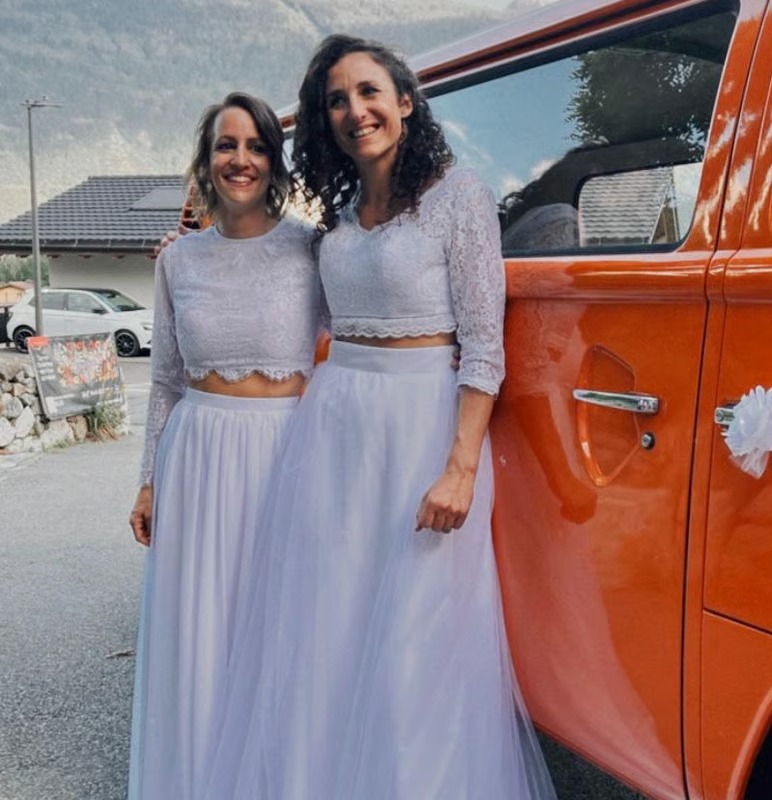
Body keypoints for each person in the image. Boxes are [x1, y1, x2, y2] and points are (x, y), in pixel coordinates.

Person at [203, 35, 557, 800]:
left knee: (417, 643)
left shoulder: (457, 197)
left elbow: (484, 345)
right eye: (336, 100)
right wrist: (197, 249)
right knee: (326, 628)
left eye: (368, 92)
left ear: (404, 101)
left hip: (422, 434)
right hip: (334, 433)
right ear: (324, 121)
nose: (354, 110)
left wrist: (460, 468)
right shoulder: (334, 217)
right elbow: (281, 299)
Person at [127, 91, 321, 800]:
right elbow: (164, 381)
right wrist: (149, 480)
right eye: (226, 145)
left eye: (256, 145)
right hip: (198, 458)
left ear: (275, 160)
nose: (241, 160)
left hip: (287, 455)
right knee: (201, 636)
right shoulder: (177, 261)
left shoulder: (310, 249)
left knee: (282, 631)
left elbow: (362, 339)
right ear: (206, 161)